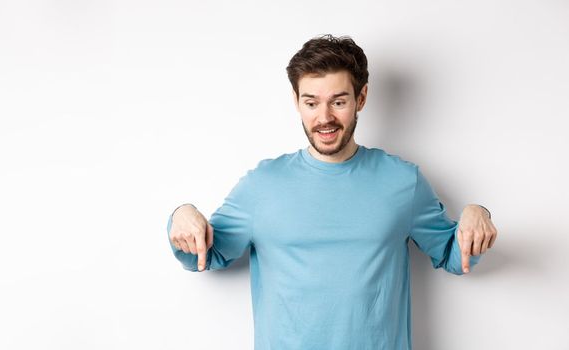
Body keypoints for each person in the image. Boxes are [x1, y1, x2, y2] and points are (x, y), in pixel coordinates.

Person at [166, 34, 499, 349]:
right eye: (311, 103)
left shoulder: (402, 181)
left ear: (361, 98)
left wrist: (477, 214)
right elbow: (204, 254)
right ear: (296, 101)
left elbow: (454, 256)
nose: (324, 118)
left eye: (338, 102)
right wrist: (182, 215)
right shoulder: (262, 185)